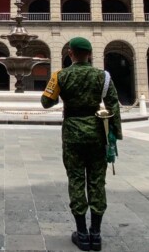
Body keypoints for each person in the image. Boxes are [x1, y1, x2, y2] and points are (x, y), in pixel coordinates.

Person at [41, 37, 122, 251]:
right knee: (97, 182)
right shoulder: (103, 77)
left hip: (72, 134)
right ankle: (96, 234)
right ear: (90, 54)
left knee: (76, 180)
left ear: (70, 53)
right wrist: (114, 135)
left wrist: (60, 91)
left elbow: (46, 102)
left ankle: (82, 234)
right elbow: (113, 103)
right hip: (97, 134)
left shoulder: (61, 75)